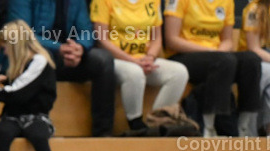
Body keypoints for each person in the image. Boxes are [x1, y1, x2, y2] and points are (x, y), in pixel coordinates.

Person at [8, 0, 116, 137]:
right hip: (34, 55)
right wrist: (59, 48)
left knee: (103, 59)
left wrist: (79, 48)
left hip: (68, 56)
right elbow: (21, 33)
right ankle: (35, 126)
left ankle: (103, 133)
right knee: (42, 59)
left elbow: (87, 31)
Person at [91, 0, 189, 136]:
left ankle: (157, 121)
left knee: (179, 72)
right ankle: (135, 123)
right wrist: (132, 60)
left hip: (143, 59)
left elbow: (156, 38)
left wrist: (150, 57)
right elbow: (101, 39)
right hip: (115, 60)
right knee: (134, 72)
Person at [165, 0, 261, 136]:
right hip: (184, 55)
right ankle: (209, 128)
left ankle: (244, 127)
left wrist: (218, 53)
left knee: (251, 60)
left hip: (218, 57)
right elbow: (172, 40)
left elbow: (227, 40)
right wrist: (211, 53)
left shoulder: (227, 2)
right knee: (223, 61)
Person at [0, 20, 57, 151]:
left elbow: (19, 92)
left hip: (36, 114)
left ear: (14, 44)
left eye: (5, 43)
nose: (3, 48)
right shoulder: (9, 62)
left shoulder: (40, 61)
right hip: (12, 116)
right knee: (3, 133)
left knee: (39, 136)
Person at [242, 0, 270, 134]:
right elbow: (254, 48)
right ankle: (251, 131)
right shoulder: (254, 10)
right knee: (266, 72)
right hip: (252, 60)